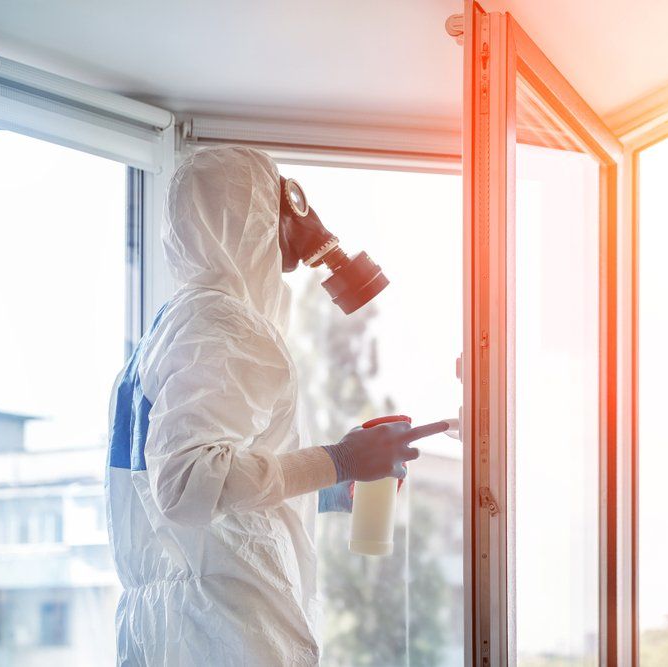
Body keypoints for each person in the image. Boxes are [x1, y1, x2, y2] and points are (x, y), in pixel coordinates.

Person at [105, 146, 447, 665]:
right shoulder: (223, 324)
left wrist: (329, 487)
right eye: (279, 206)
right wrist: (340, 459)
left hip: (176, 623)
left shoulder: (170, 330)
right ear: (252, 218)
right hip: (229, 623)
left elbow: (198, 494)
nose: (295, 226)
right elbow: (187, 485)